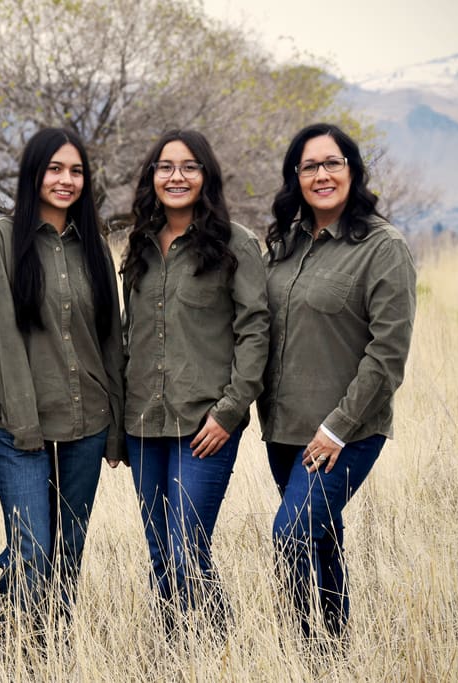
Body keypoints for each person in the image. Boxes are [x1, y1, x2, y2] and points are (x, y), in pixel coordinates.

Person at [258, 123, 416, 644]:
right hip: (285, 429)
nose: (322, 174)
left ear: (352, 170)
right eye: (309, 166)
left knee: (292, 536)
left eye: (333, 163)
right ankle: (333, 654)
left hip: (344, 433)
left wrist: (338, 428)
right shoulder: (285, 245)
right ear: (295, 177)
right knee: (321, 540)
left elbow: (388, 353)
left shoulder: (382, 246)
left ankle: (305, 648)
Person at [120, 129, 269, 634]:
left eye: (189, 166)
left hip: (205, 424)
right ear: (152, 177)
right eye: (165, 167)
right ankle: (175, 652)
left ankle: (218, 649)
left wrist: (230, 410)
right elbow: (128, 333)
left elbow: (255, 332)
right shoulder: (138, 245)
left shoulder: (237, 245)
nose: (176, 176)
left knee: (188, 549)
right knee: (161, 555)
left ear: (206, 176)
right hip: (142, 423)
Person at [0, 128, 125, 628]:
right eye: (55, 169)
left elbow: (109, 338)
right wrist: (25, 425)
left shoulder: (94, 245)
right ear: (33, 174)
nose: (66, 180)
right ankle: (3, 653)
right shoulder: (1, 240)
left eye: (76, 171)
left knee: (68, 553)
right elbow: (0, 338)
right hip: (19, 425)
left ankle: (52, 654)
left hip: (87, 420)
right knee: (31, 551)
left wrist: (116, 426)